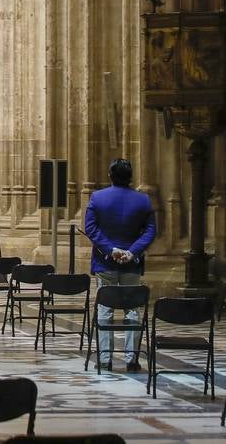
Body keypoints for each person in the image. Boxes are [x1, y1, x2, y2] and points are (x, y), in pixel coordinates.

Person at [84, 158, 157, 371]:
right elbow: (151, 230)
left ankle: (105, 359)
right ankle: (131, 359)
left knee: (105, 309)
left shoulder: (97, 198)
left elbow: (91, 229)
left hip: (105, 261)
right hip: (131, 263)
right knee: (132, 310)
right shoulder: (143, 200)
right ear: (131, 177)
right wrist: (132, 251)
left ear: (110, 175)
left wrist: (111, 250)